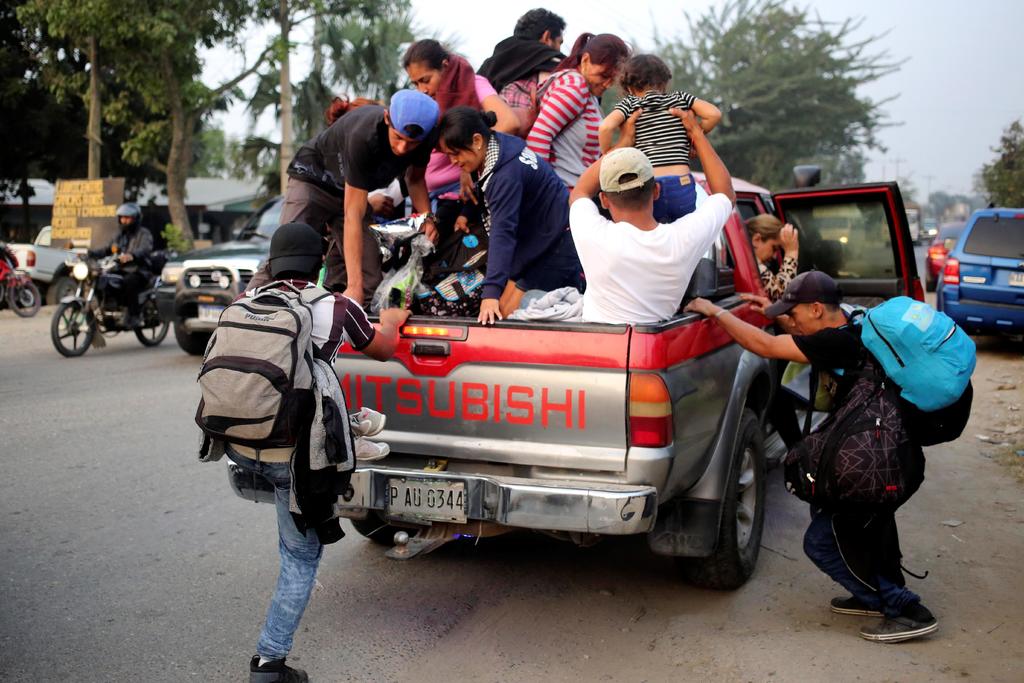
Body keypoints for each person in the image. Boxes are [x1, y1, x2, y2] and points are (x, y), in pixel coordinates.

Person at [684, 271, 938, 644]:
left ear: (817, 308)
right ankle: (875, 594)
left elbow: (767, 347)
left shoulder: (835, 343)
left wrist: (715, 312)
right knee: (871, 528)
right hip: (890, 454)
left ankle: (904, 609)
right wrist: (772, 310)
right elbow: (796, 330)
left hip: (874, 460)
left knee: (821, 541)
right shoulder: (854, 321)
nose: (793, 319)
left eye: (796, 311)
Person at [220, 223, 411, 682]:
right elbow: (383, 349)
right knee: (300, 557)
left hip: (241, 444)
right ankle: (270, 664)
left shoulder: (244, 304)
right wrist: (392, 319)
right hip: (292, 456)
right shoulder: (335, 306)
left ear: (272, 262)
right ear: (319, 263)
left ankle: (352, 427)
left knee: (324, 408)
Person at [567, 109, 735, 324]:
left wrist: (624, 142)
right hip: (653, 349)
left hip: (600, 349)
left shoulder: (593, 235)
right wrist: (696, 133)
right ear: (656, 191)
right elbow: (726, 196)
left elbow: (580, 191)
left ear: (604, 200)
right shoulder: (681, 240)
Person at [277, 91, 440, 305]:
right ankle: (249, 313)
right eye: (398, 137)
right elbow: (353, 213)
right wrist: (353, 286)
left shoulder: (426, 138)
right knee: (288, 255)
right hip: (313, 180)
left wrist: (427, 217)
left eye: (411, 143)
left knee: (369, 282)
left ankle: (350, 329)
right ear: (386, 119)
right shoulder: (364, 135)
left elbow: (415, 179)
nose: (402, 149)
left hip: (348, 192)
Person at [438, 107, 582, 323]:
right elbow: (484, 191)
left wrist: (490, 293)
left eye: (455, 154)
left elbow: (502, 233)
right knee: (503, 310)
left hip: (556, 246)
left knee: (505, 314)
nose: (453, 162)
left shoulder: (506, 175)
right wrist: (467, 212)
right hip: (538, 241)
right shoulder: (497, 145)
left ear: (476, 140)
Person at [598, 54, 721, 222]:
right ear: (664, 82)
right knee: (681, 238)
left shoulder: (631, 104)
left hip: (650, 189)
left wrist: (609, 152)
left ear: (629, 88)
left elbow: (605, 127)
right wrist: (693, 136)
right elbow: (714, 114)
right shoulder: (679, 99)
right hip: (682, 183)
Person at [527, 33, 631, 187]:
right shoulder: (575, 87)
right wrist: (544, 191)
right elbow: (538, 138)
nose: (607, 84)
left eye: (613, 80)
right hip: (564, 191)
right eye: (603, 76)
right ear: (585, 60)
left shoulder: (587, 92)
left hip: (572, 191)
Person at [477, 8, 567, 137]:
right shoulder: (555, 64)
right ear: (547, 36)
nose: (559, 48)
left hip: (483, 138)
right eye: (559, 42)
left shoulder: (491, 62)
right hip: (533, 143)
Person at [87, 202, 154, 328]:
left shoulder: (144, 233)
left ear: (135, 219)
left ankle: (134, 316)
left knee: (129, 282)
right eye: (122, 217)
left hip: (139, 270)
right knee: (103, 280)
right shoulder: (119, 235)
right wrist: (89, 252)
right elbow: (107, 249)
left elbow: (145, 249)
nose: (124, 220)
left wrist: (132, 255)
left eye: (127, 218)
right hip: (120, 269)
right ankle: (108, 312)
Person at [747, 214, 800, 301]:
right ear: (756, 240)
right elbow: (781, 294)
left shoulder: (744, 260)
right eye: (774, 248)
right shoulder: (751, 265)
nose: (775, 256)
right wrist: (791, 252)